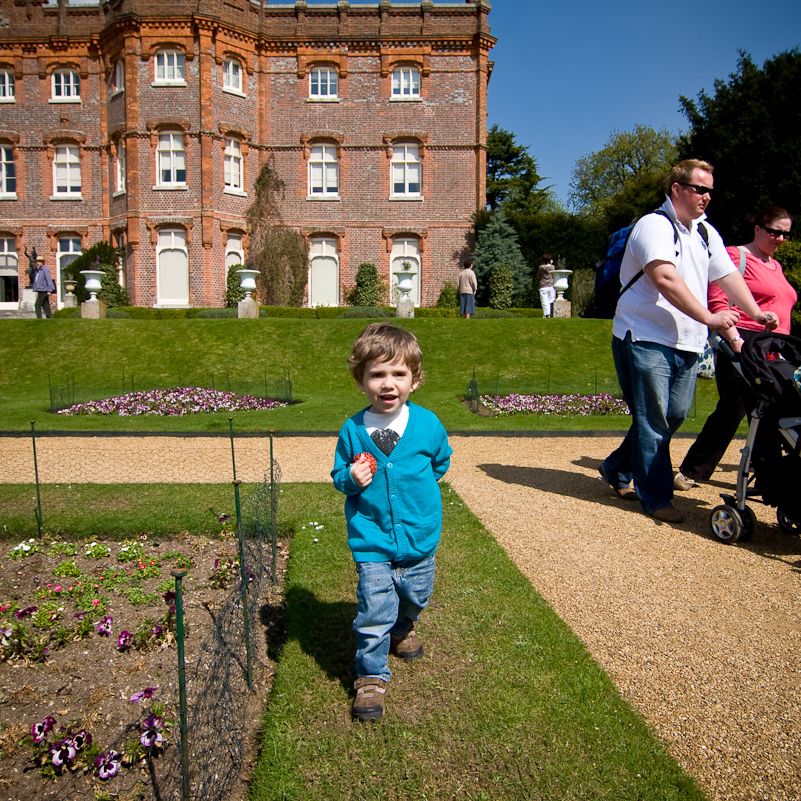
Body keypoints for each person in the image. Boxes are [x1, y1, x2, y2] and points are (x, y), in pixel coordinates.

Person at [599, 159, 779, 524]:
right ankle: (656, 496)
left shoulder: (706, 233)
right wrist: (711, 318)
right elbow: (665, 277)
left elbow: (728, 275)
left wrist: (754, 313)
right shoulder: (653, 225)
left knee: (674, 415)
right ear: (677, 189)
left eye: (710, 190)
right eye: (700, 189)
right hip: (644, 336)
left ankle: (616, 467)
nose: (707, 197)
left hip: (686, 341)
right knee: (654, 420)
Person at [331, 323, 452, 721]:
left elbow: (440, 462)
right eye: (377, 374)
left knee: (416, 595)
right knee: (373, 610)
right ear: (361, 381)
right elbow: (338, 476)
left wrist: (413, 486)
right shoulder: (353, 430)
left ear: (414, 381)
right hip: (373, 539)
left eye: (398, 374)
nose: (388, 384)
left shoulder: (428, 425)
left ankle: (404, 627)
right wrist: (352, 479)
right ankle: (370, 677)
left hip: (419, 536)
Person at [675, 207, 796, 489]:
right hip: (744, 342)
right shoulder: (736, 256)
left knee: (774, 408)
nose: (780, 238)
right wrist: (735, 342)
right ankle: (693, 470)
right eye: (775, 231)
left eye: (786, 234)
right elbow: (719, 302)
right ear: (758, 228)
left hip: (775, 348)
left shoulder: (775, 266)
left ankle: (768, 476)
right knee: (734, 407)